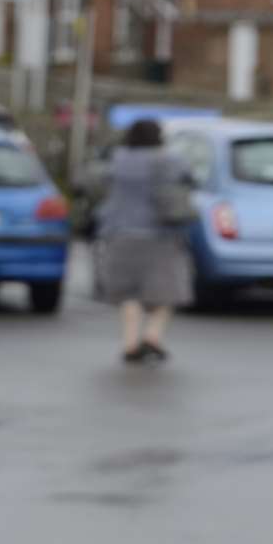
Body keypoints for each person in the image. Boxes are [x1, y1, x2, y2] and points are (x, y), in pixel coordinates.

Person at [91, 118, 195, 364]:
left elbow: (98, 181)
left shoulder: (118, 159)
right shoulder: (170, 159)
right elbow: (190, 179)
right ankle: (152, 336)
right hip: (160, 235)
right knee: (165, 292)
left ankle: (130, 344)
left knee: (128, 293)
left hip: (119, 232)